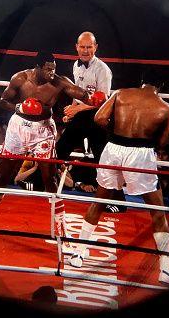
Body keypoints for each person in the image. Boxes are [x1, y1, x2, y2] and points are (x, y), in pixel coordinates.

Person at [0, 53, 104, 251]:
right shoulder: (20, 79)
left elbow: (80, 93)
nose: (52, 73)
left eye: (54, 68)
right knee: (4, 175)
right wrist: (18, 106)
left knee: (50, 178)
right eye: (48, 69)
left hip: (43, 130)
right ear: (38, 67)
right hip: (18, 127)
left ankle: (62, 233)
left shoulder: (59, 82)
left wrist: (92, 99)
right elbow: (2, 99)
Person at [69, 82, 169, 286]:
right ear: (161, 86)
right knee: (157, 211)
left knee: (100, 201)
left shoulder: (121, 93)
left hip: (113, 149)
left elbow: (99, 117)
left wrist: (117, 130)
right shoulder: (165, 107)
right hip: (141, 153)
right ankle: (165, 269)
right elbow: (163, 142)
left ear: (141, 82)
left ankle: (78, 253)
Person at [56, 32, 127, 211]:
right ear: (76, 47)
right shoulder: (76, 65)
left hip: (98, 117)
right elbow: (77, 93)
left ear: (95, 47)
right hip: (80, 117)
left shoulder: (102, 69)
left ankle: (119, 201)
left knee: (103, 159)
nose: (85, 50)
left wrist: (77, 109)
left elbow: (103, 101)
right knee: (61, 148)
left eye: (89, 47)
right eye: (82, 46)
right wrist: (71, 111)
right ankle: (48, 189)